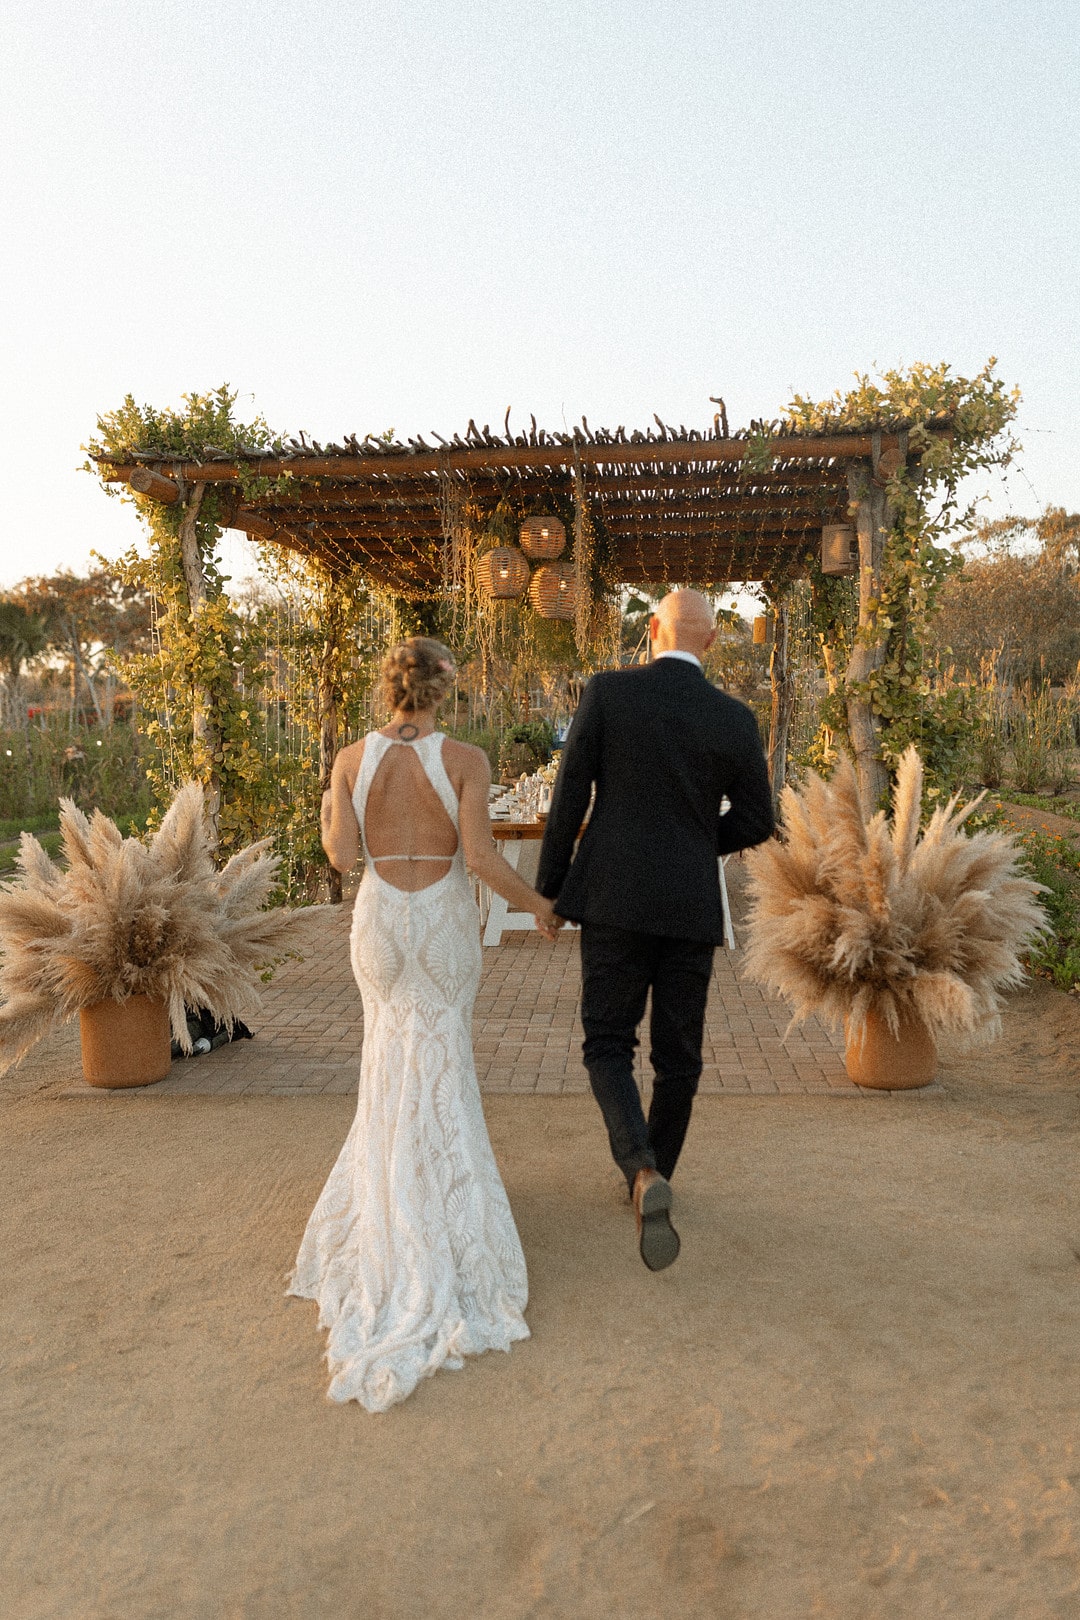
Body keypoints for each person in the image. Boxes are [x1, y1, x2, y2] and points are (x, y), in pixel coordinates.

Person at [288, 637, 558, 1410]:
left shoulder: (349, 758)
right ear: (445, 691)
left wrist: (328, 808)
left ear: (389, 688)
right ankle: (444, 1214)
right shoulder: (466, 759)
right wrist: (539, 904)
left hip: (379, 921)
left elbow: (340, 857)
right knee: (441, 1059)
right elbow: (480, 859)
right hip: (438, 923)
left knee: (386, 1059)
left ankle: (386, 1212)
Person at [536, 589, 774, 1271]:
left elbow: (569, 794)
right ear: (712, 641)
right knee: (680, 1059)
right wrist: (700, 842)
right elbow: (759, 820)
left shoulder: (608, 693)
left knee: (607, 1042)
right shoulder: (734, 717)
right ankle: (655, 1172)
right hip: (689, 904)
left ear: (652, 629)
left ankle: (639, 1169)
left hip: (611, 896)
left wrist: (551, 888)